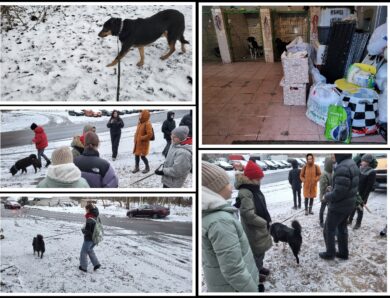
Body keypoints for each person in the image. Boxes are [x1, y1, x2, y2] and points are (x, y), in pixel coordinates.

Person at [202, 161, 260, 292]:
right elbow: (234, 270)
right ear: (215, 188)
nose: (232, 187)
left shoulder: (214, 216)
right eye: (227, 183)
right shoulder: (220, 222)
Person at [234, 160, 272, 288]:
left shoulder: (253, 187)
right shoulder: (246, 192)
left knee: (260, 251)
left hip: (259, 226)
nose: (260, 181)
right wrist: (263, 222)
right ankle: (254, 274)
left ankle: (259, 268)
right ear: (251, 179)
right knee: (256, 252)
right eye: (258, 179)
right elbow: (248, 215)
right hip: (253, 228)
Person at [319, 154, 359, 260]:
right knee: (342, 228)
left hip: (338, 207)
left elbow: (338, 193)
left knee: (328, 229)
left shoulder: (343, 167)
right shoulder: (352, 163)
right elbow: (345, 186)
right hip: (348, 205)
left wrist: (327, 196)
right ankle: (343, 253)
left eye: (335, 154)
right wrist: (333, 188)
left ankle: (330, 253)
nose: (333, 156)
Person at [349, 154, 377, 230]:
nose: (362, 162)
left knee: (360, 208)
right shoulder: (360, 168)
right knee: (352, 207)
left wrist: (363, 198)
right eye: (361, 160)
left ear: (368, 162)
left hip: (363, 194)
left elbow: (369, 187)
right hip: (356, 192)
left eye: (363, 161)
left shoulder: (372, 172)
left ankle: (358, 223)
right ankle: (350, 220)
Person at [79, 203, 101, 272]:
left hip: (89, 239)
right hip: (95, 238)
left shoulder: (90, 218)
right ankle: (96, 264)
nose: (85, 211)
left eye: (86, 209)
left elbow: (88, 231)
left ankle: (83, 267)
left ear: (89, 209)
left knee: (83, 252)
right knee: (90, 250)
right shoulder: (96, 216)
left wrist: (83, 230)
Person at [319, 157, 334, 228]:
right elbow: (322, 187)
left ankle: (329, 221)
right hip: (324, 195)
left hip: (330, 195)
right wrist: (327, 189)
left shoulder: (332, 173)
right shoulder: (324, 174)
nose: (333, 165)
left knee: (330, 209)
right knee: (322, 209)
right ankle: (321, 221)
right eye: (332, 164)